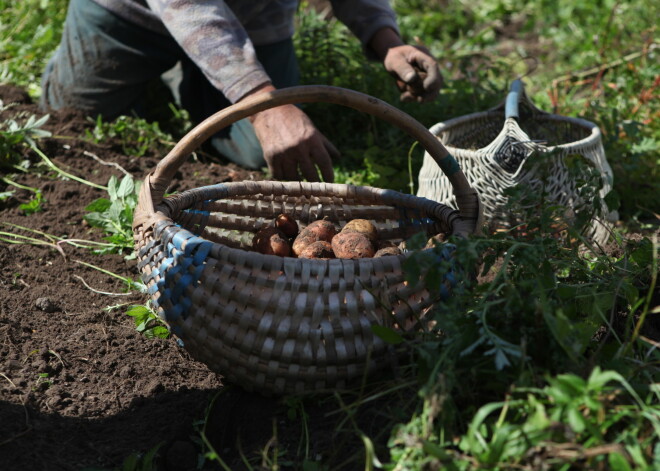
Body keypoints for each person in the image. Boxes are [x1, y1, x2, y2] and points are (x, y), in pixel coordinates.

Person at [41, 0, 443, 182]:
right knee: (69, 119)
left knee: (265, 152)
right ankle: (204, 71)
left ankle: (196, 78)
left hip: (255, 18)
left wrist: (384, 38)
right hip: (134, 14)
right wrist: (264, 104)